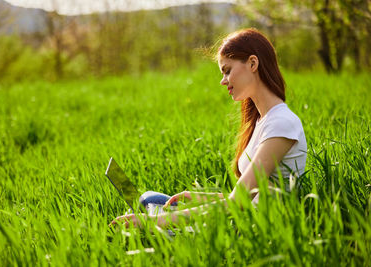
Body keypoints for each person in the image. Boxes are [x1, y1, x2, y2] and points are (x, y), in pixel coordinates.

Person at [110, 28, 307, 228]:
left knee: (144, 214)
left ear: (253, 63)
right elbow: (254, 194)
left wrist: (153, 223)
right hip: (241, 217)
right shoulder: (262, 121)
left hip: (249, 229)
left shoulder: (282, 123)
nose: (223, 81)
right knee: (148, 199)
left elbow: (238, 202)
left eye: (227, 70)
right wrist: (201, 197)